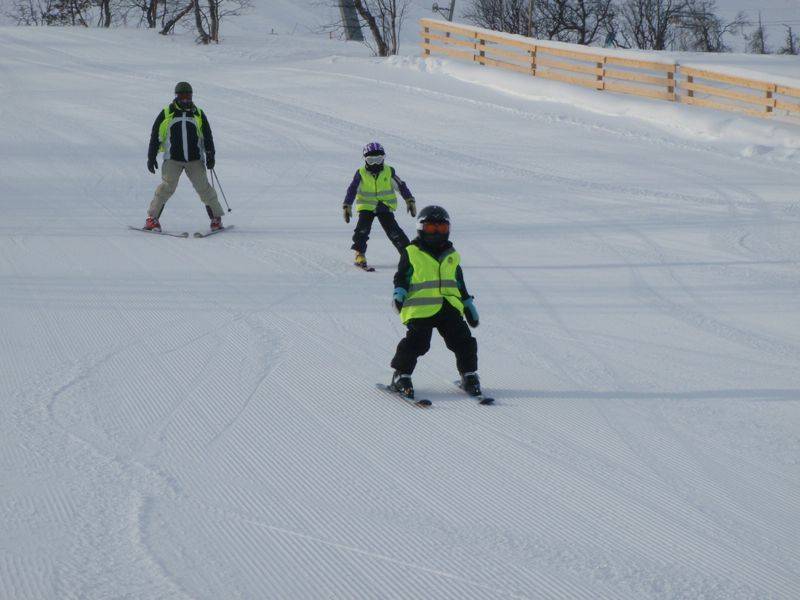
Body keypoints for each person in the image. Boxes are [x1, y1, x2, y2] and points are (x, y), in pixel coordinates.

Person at [389, 205, 482, 398]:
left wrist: (467, 304)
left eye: (442, 228)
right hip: (420, 309)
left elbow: (458, 281)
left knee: (463, 341)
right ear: (421, 229)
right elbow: (402, 277)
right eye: (432, 228)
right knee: (417, 343)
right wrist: (399, 293)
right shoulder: (412, 252)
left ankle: (469, 375)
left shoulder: (452, 255)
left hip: (448, 307)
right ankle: (401, 375)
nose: (437, 233)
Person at [143, 82, 224, 232]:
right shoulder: (167, 113)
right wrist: (151, 157)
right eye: (182, 96)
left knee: (204, 188)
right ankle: (152, 219)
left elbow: (207, 136)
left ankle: (216, 219)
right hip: (172, 159)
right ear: (177, 97)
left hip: (195, 160)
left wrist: (210, 154)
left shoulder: (198, 114)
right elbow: (155, 136)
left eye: (188, 96)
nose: (185, 100)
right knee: (166, 188)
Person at [342, 142, 416, 268]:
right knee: (362, 230)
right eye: (371, 160)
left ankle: (408, 255)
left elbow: (401, 186)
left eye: (379, 159)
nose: (375, 163)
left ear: (383, 158)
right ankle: (359, 253)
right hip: (367, 207)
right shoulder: (361, 173)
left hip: (384, 206)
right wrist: (347, 205)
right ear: (365, 160)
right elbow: (352, 189)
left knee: (394, 231)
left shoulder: (389, 171)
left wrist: (409, 199)